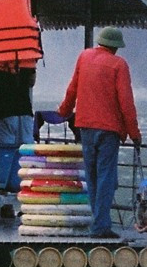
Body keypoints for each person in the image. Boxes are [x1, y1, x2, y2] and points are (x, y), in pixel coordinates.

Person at [58, 27, 140, 239]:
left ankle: (99, 222)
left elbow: (72, 89)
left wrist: (63, 112)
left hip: (85, 126)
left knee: (93, 176)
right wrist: (134, 133)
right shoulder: (118, 65)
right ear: (115, 46)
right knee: (105, 176)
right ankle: (101, 226)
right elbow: (126, 103)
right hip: (109, 130)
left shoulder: (84, 57)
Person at [0, 65, 37, 148]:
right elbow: (31, 81)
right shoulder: (26, 55)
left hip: (2, 111)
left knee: (4, 152)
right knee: (27, 152)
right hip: (25, 111)